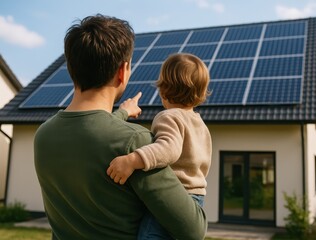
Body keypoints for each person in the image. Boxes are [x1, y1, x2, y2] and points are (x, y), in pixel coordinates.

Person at [34, 14, 207, 240]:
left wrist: (123, 113)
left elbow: (93, 132)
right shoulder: (135, 143)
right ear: (122, 71)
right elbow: (193, 229)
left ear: (71, 68)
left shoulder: (43, 136)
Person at [107, 53, 212, 239]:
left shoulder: (169, 116)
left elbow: (169, 149)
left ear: (163, 90)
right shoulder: (199, 123)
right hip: (196, 197)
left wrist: (132, 160)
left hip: (173, 196)